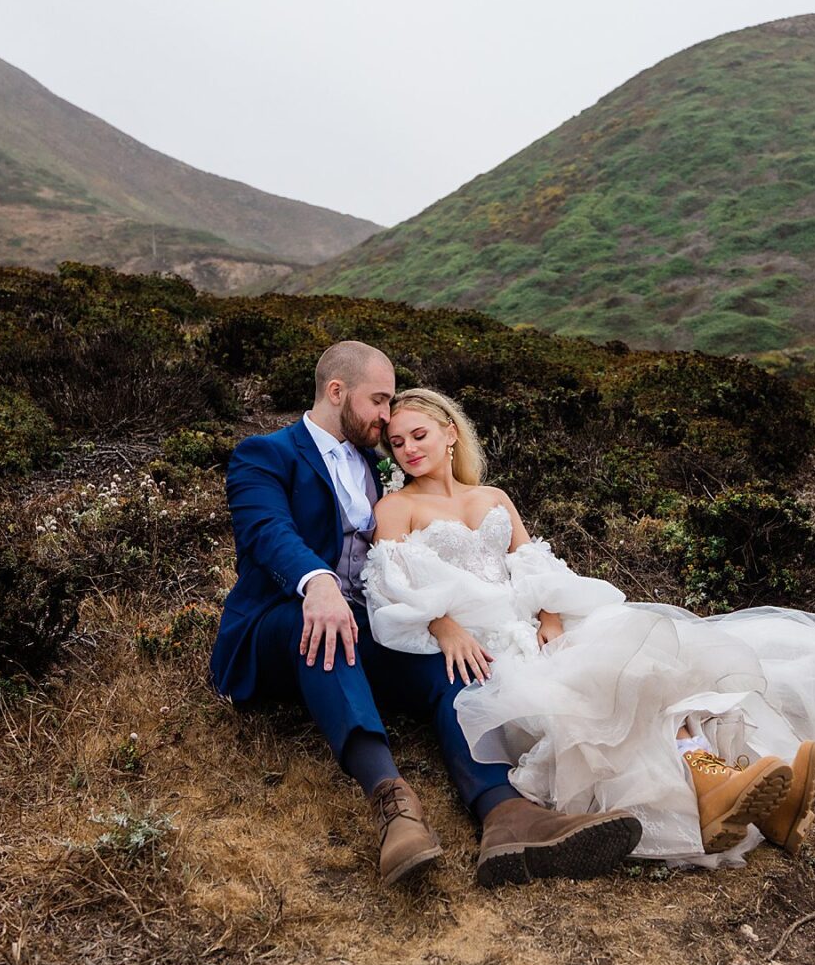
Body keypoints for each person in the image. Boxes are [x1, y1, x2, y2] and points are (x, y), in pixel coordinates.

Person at [365, 387, 815, 867]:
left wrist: (552, 617)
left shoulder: (492, 497)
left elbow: (537, 566)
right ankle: (719, 785)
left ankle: (729, 788)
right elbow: (394, 586)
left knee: (645, 661)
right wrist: (444, 627)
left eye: (419, 435)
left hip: (540, 629)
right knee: (602, 697)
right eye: (397, 442)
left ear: (449, 433)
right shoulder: (396, 508)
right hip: (488, 649)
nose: (409, 449)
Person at [208, 341, 644, 888]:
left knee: (450, 661)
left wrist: (443, 622)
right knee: (323, 623)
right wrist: (315, 582)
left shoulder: (373, 462)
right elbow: (266, 531)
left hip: (367, 619)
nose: (388, 417)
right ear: (337, 391)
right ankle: (392, 804)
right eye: (380, 401)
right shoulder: (265, 453)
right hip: (279, 625)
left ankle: (503, 813)